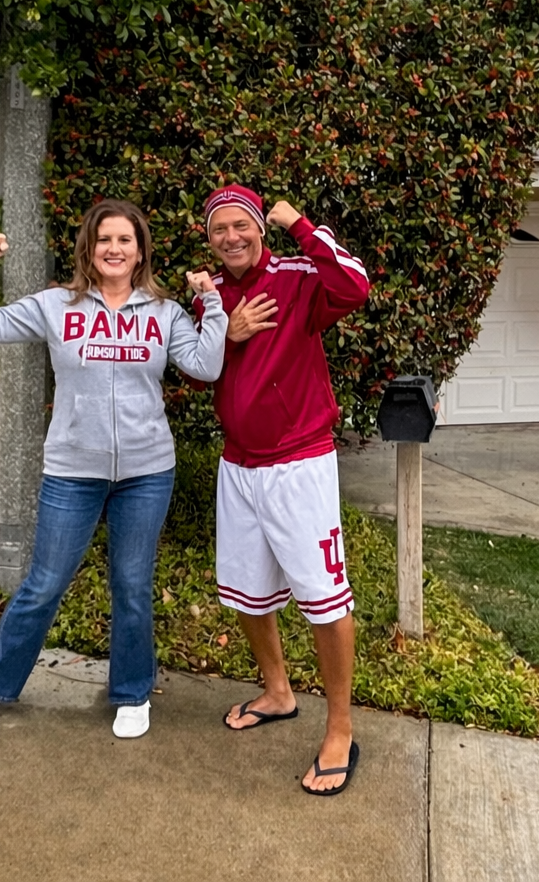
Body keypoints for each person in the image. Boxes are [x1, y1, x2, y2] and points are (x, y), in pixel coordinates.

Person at [0, 199, 228, 738]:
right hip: (71, 471)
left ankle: (131, 692)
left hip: (147, 473)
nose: (114, 249)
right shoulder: (58, 305)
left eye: (125, 240)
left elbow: (206, 364)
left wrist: (212, 306)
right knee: (45, 582)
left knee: (131, 584)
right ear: (89, 247)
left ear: (140, 250)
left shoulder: (164, 312)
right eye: (105, 239)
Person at [196, 184, 370, 795]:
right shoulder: (210, 296)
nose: (231, 237)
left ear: (259, 231)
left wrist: (300, 223)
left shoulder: (297, 276)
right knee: (249, 595)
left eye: (241, 225)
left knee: (323, 599)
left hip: (299, 466)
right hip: (238, 467)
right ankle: (278, 691)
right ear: (209, 239)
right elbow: (198, 371)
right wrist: (226, 332)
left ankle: (342, 729)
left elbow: (355, 285)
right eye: (219, 229)